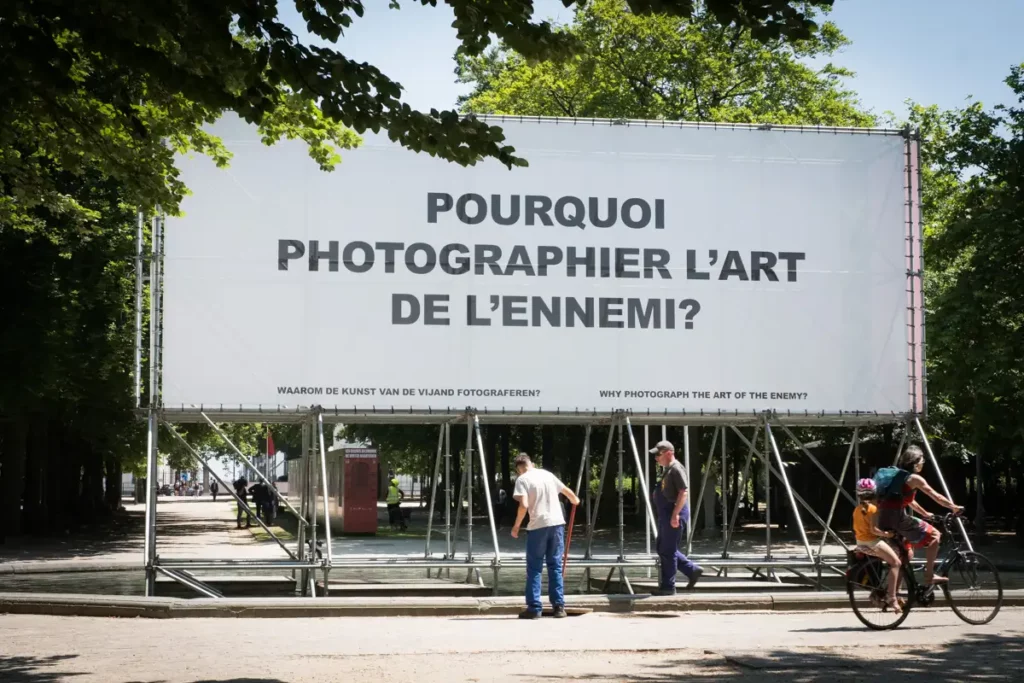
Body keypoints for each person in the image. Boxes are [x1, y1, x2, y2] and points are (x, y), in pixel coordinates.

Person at [875, 445, 964, 585]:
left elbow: (909, 501)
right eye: (922, 460)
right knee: (935, 535)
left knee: (904, 556)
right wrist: (953, 507)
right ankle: (929, 575)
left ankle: (891, 595)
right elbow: (936, 496)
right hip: (898, 519)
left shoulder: (897, 476)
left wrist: (925, 513)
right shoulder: (914, 478)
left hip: (883, 519)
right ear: (915, 462)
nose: (923, 463)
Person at [511, 453, 580, 620]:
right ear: (531, 463)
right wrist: (575, 501)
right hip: (557, 524)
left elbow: (524, 505)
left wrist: (516, 526)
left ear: (518, 469)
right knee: (555, 566)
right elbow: (571, 496)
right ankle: (559, 607)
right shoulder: (547, 474)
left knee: (534, 568)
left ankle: (534, 608)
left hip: (538, 527)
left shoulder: (522, 480)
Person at [649, 440, 703, 595]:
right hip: (666, 514)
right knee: (662, 548)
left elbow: (683, 492)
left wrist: (675, 515)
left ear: (669, 453)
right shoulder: (668, 469)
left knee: (668, 550)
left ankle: (668, 587)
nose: (656, 458)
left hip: (673, 513)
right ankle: (691, 570)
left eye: (658, 455)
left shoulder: (676, 469)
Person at [852, 478, 902, 613]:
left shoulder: (857, 509)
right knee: (896, 563)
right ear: (875, 492)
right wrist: (888, 534)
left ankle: (886, 589)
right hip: (872, 542)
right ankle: (892, 597)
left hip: (860, 542)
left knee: (892, 557)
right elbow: (874, 530)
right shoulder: (873, 509)